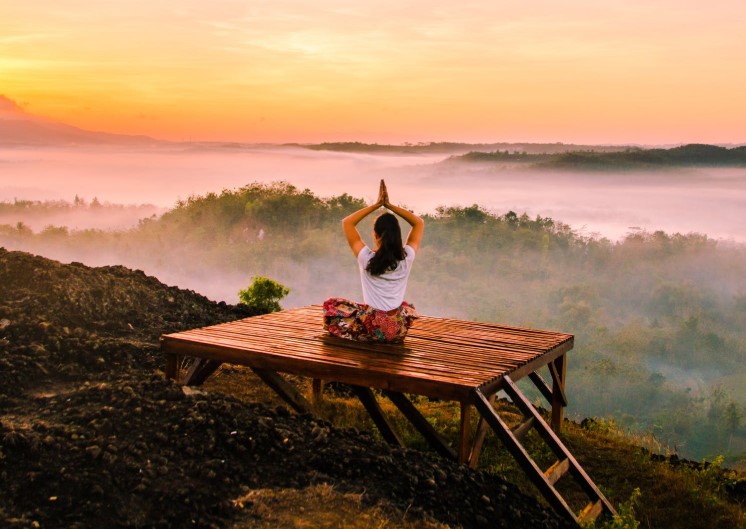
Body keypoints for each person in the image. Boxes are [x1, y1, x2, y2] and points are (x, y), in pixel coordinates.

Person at [323, 180, 424, 343]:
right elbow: (418, 223)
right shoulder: (407, 257)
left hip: (370, 328)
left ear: (375, 236)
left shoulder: (366, 258)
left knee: (331, 304)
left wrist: (377, 205)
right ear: (398, 236)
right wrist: (389, 206)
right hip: (396, 331)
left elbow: (347, 222)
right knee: (405, 307)